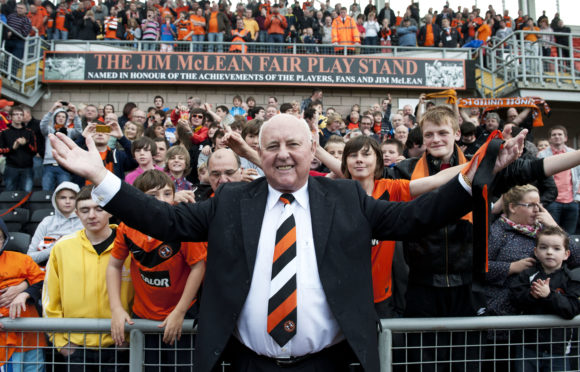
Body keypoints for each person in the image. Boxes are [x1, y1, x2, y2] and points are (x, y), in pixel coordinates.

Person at [49, 113, 524, 372]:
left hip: (329, 362)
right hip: (248, 361)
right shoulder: (231, 199)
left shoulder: (345, 197)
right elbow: (164, 221)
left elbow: (414, 218)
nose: (282, 155)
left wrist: (472, 182)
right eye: (272, 145)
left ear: (310, 148)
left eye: (293, 145)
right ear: (261, 151)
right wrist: (101, 178)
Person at [108, 170, 206, 370]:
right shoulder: (127, 227)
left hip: (181, 315)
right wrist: (116, 308)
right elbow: (113, 265)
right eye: (152, 196)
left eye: (167, 194)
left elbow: (198, 266)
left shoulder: (184, 223)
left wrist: (180, 312)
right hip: (143, 317)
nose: (161, 201)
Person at [42, 185, 133, 370]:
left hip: (120, 345)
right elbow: (50, 299)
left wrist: (130, 338)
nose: (92, 215)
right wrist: (61, 343)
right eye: (85, 210)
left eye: (98, 208)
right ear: (77, 213)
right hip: (76, 348)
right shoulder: (62, 248)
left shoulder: (131, 246)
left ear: (109, 210)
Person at [510, 226, 580, 372]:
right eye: (543, 247)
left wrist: (549, 296)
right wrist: (532, 296)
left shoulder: (571, 279)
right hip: (527, 346)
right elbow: (514, 300)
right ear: (536, 251)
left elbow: (572, 308)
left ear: (566, 254)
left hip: (558, 349)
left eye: (556, 248)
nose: (549, 252)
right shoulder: (527, 275)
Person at [0, 218, 46, 371]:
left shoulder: (22, 260)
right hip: (4, 342)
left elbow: (42, 281)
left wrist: (24, 291)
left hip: (30, 337)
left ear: (5, 238)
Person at [27, 181, 83, 265]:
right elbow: (30, 258)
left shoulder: (85, 222)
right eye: (63, 198)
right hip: (46, 272)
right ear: (55, 200)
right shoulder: (46, 222)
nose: (67, 201)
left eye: (72, 198)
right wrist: (55, 248)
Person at [538, 125, 580, 234]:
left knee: (569, 236)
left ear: (565, 138)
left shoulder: (574, 153)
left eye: (560, 134)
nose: (557, 136)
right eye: (554, 135)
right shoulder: (542, 155)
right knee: (551, 234)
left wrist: (578, 197)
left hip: (572, 201)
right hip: (552, 202)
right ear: (550, 139)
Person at [40, 100, 82, 191]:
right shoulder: (49, 130)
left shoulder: (69, 132)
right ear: (55, 117)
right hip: (48, 165)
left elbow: (79, 131)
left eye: (63, 116)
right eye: (58, 116)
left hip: (64, 165)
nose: (61, 118)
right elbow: (43, 124)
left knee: (64, 190)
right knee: (46, 191)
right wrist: (52, 109)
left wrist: (75, 113)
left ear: (66, 119)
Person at [0, 105, 37, 192]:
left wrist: (26, 144)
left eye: (21, 114)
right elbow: (1, 150)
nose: (19, 116)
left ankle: (24, 206)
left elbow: (35, 151)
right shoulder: (5, 132)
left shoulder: (29, 132)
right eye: (16, 114)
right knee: (10, 193)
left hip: (27, 167)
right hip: (11, 167)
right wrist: (12, 148)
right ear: (11, 117)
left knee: (26, 193)